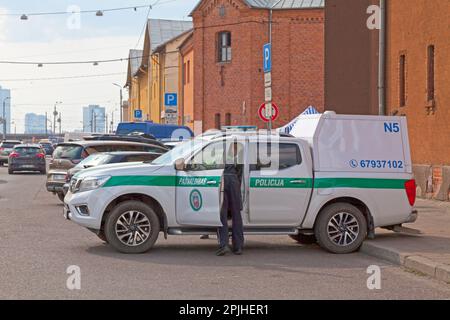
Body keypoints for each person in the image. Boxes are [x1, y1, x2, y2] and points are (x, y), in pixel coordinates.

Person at [216, 142, 244, 256]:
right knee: (236, 214)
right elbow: (240, 171)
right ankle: (238, 246)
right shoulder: (239, 154)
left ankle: (224, 244)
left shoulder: (218, 151)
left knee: (222, 214)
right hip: (233, 180)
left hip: (223, 180)